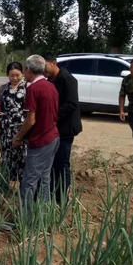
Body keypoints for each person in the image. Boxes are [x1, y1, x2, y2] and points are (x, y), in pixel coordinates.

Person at [12, 55, 59, 213]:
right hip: (53, 137)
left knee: (29, 181)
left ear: (27, 70)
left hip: (41, 141)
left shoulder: (33, 88)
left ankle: (23, 220)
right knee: (45, 178)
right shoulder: (50, 86)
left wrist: (18, 137)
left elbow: (31, 120)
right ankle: (44, 215)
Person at [43, 53, 82, 205]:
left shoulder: (67, 79)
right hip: (54, 128)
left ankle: (62, 198)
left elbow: (71, 104)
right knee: (53, 163)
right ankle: (53, 194)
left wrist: (52, 117)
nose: (43, 70)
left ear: (53, 63)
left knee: (62, 163)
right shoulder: (50, 79)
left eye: (45, 66)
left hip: (65, 128)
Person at [0, 62, 27, 183]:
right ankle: (5, 184)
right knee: (6, 157)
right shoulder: (3, 89)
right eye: (12, 75)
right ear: (8, 75)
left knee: (23, 157)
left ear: (22, 73)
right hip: (6, 128)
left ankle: (23, 188)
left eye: (17, 75)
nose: (15, 78)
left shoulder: (27, 88)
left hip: (22, 129)